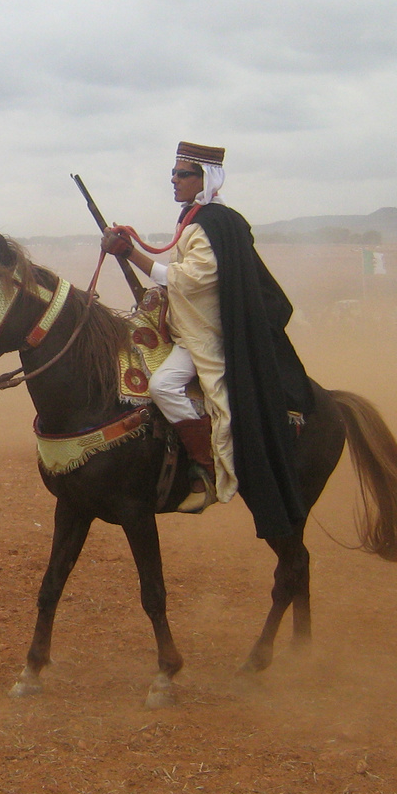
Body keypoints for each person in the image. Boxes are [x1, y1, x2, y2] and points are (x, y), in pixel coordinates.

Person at [101, 142, 314, 538]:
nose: (174, 180)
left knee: (163, 385)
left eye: (183, 174)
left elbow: (190, 278)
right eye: (173, 173)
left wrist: (132, 254)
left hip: (209, 336)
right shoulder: (194, 218)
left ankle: (206, 469)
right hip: (185, 328)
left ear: (205, 178)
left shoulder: (214, 223)